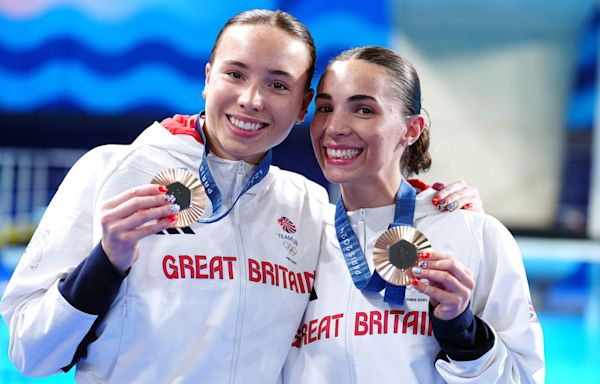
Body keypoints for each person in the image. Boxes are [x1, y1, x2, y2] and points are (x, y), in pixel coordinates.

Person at [0, 9, 482, 383]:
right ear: (207, 77)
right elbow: (30, 352)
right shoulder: (112, 171)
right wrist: (108, 259)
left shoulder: (308, 208)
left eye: (278, 84)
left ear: (301, 108)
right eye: (235, 74)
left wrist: (440, 209)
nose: (252, 99)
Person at [282, 47, 545, 383]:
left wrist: (463, 335)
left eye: (363, 109)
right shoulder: (300, 240)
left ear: (411, 129)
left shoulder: (473, 234)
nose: (334, 127)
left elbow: (523, 377)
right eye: (325, 108)